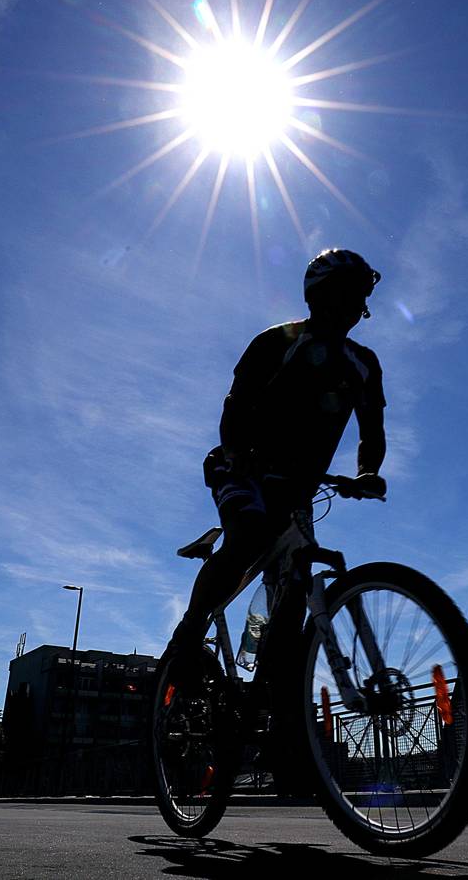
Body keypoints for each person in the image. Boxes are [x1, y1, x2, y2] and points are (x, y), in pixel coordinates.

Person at [163, 247, 387, 678]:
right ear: (319, 296)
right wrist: (237, 455)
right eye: (347, 293)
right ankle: (188, 634)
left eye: (361, 296)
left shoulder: (364, 364)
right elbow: (234, 409)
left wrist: (367, 473)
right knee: (246, 538)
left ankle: (275, 708)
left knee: (292, 597)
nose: (357, 306)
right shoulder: (276, 342)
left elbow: (371, 433)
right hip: (240, 468)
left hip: (298, 488)